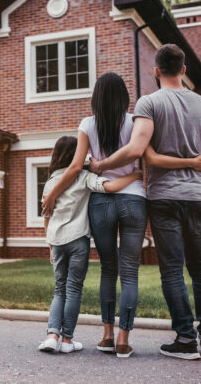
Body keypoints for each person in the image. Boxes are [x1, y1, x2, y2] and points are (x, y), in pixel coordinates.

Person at [90, 44, 201, 360]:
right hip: (198, 197)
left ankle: (185, 339)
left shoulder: (149, 103)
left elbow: (138, 150)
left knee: (172, 271)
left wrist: (101, 165)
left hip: (165, 197)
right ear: (183, 69)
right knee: (199, 268)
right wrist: (193, 164)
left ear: (156, 71)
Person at [42, 73, 147, 358]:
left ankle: (107, 336)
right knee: (129, 273)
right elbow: (144, 155)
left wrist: (52, 194)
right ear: (124, 97)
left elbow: (76, 167)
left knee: (108, 270)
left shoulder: (88, 124)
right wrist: (136, 174)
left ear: (95, 98)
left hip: (101, 202)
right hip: (134, 198)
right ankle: (124, 340)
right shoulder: (136, 121)